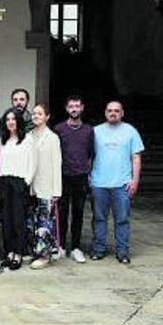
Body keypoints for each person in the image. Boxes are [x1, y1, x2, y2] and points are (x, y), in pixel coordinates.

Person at [89, 101, 143, 264]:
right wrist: (88, 176)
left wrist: (135, 181)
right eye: (110, 110)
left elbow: (136, 157)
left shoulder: (131, 131)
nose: (113, 113)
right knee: (99, 218)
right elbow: (88, 156)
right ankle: (99, 249)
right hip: (99, 183)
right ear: (105, 113)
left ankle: (122, 251)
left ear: (122, 113)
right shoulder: (95, 131)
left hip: (122, 184)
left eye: (116, 111)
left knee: (122, 219)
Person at [53, 95, 95, 263]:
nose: (74, 109)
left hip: (81, 177)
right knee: (62, 213)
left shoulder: (89, 130)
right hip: (63, 176)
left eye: (77, 106)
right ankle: (61, 246)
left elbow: (91, 154)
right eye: (71, 106)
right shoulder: (59, 129)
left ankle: (76, 248)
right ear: (66, 109)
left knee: (78, 213)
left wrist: (88, 173)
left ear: (82, 108)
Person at [0, 108, 35, 271]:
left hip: (19, 182)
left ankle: (19, 253)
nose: (10, 122)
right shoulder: (2, 140)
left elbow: (33, 163)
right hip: (4, 181)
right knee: (6, 219)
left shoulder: (28, 140)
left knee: (19, 220)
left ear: (19, 121)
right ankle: (9, 252)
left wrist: (26, 182)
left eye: (13, 119)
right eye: (7, 119)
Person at [28, 103, 62, 270]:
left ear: (47, 117)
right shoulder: (28, 136)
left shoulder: (52, 138)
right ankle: (34, 251)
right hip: (31, 185)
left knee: (45, 223)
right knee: (32, 221)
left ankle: (44, 256)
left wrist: (56, 190)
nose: (36, 116)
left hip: (47, 186)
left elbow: (57, 164)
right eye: (34, 113)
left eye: (40, 114)